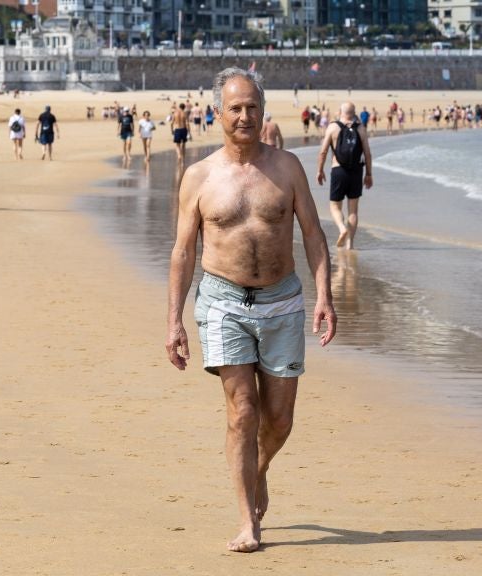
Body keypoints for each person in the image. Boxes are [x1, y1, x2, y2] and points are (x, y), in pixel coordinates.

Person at [166, 67, 336, 553]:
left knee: (279, 419)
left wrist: (323, 295)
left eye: (252, 107)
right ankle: (248, 523)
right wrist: (174, 320)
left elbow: (312, 235)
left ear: (263, 112)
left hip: (282, 302)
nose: (244, 116)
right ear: (218, 114)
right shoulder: (198, 177)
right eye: (235, 108)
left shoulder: (287, 168)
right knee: (243, 411)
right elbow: (182, 251)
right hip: (222, 302)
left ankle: (258, 470)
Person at [316, 102, 373, 250]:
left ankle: (341, 228)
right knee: (353, 211)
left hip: (338, 170)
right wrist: (368, 174)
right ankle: (350, 244)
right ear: (355, 113)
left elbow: (323, 152)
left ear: (340, 111)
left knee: (335, 206)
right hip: (356, 171)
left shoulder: (333, 127)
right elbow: (367, 153)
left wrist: (320, 170)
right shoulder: (360, 128)